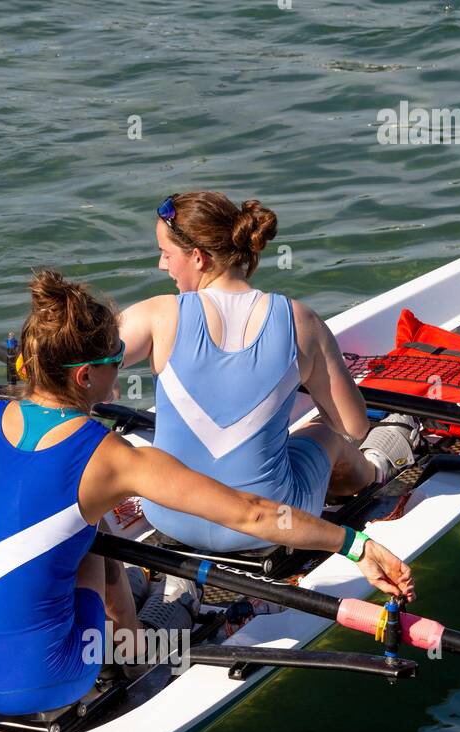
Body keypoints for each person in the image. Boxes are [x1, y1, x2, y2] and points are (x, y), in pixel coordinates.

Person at [0, 270, 413, 719]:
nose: (120, 375)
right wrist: (354, 546)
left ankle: (124, 620)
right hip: (43, 682)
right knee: (94, 544)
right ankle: (140, 658)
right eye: (115, 363)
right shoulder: (112, 457)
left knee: (88, 532)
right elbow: (255, 513)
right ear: (84, 376)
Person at [118, 189, 419, 554]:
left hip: (169, 515)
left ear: (197, 258)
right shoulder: (300, 321)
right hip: (275, 525)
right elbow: (353, 425)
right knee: (326, 432)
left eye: (166, 255)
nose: (162, 266)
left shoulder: (155, 315)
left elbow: (84, 363)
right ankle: (376, 469)